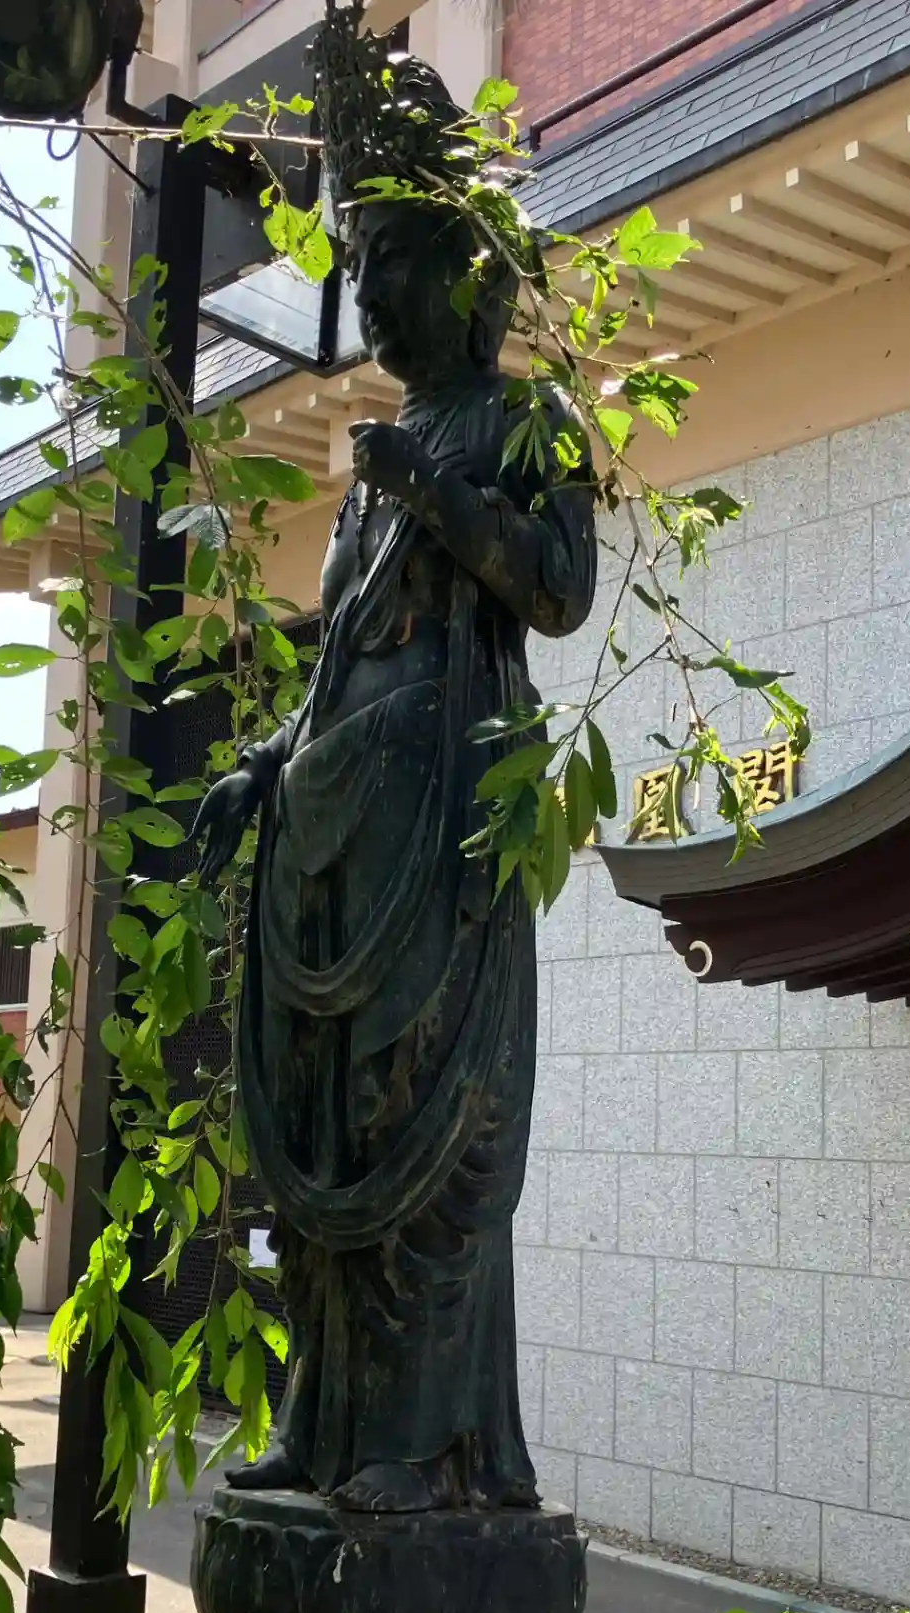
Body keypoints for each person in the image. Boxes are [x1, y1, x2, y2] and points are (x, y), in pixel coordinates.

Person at [193, 28, 597, 1514]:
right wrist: (261, 766)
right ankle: (325, 1421)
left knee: (426, 1119)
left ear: (470, 276)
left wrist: (436, 491)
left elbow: (557, 588)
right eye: (360, 265)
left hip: (441, 825)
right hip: (339, 826)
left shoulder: (522, 423)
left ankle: (422, 1445)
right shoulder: (374, 460)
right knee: (329, 1125)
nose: (370, 297)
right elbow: (340, 653)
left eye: (393, 262)